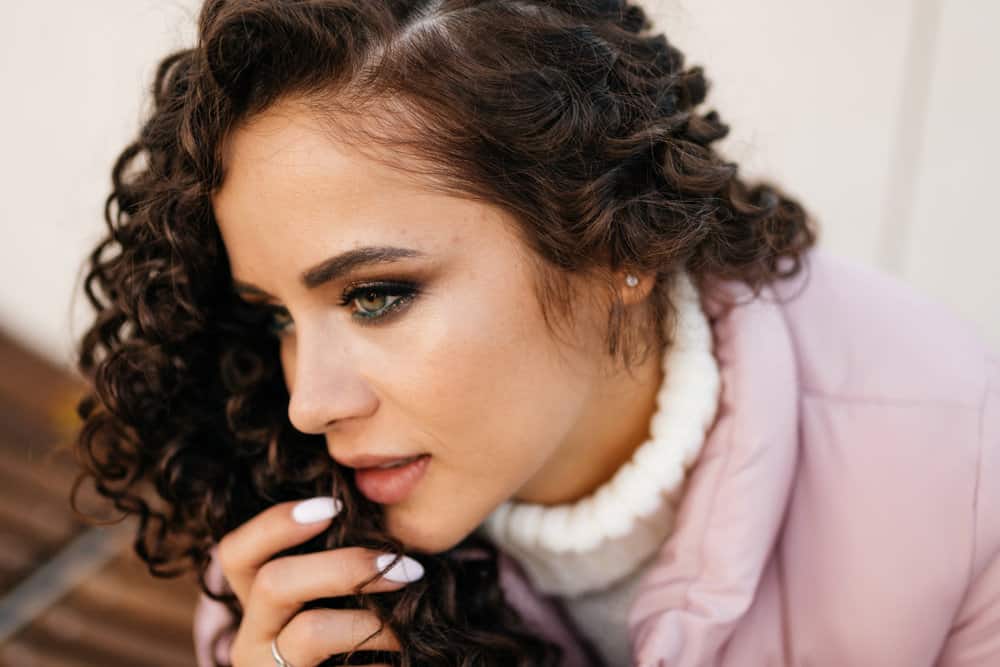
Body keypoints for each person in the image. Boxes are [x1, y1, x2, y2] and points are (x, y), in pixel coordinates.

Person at [70, 0, 999, 665]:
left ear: (615, 242)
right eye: (276, 313)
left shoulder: (962, 477)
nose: (309, 401)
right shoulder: (280, 485)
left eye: (375, 295)